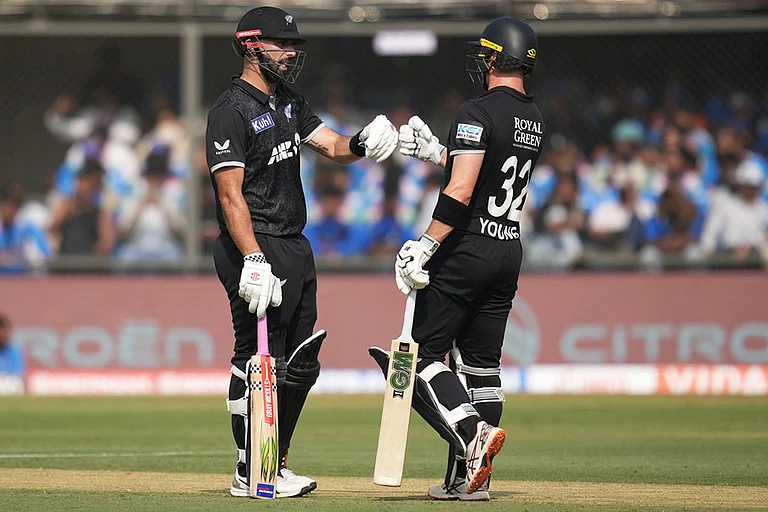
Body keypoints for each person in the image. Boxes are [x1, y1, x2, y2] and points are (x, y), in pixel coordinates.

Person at [206, 6, 398, 498]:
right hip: (253, 244)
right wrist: (251, 258)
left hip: (294, 242)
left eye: (294, 47)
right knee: (254, 358)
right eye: (280, 45)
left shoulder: (289, 101)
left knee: (299, 363)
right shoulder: (230, 110)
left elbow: (331, 145)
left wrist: (362, 142)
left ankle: (276, 461)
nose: (290, 54)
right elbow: (230, 195)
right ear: (251, 46)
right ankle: (249, 468)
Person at [392, 17, 545, 501]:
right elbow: (490, 172)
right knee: (481, 367)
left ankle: (472, 434)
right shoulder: (535, 117)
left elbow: (461, 189)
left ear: (497, 58)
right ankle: (467, 478)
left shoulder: (474, 110)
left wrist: (428, 242)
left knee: (420, 357)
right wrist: (442, 151)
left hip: (466, 248)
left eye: (486, 54)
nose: (480, 61)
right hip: (508, 247)